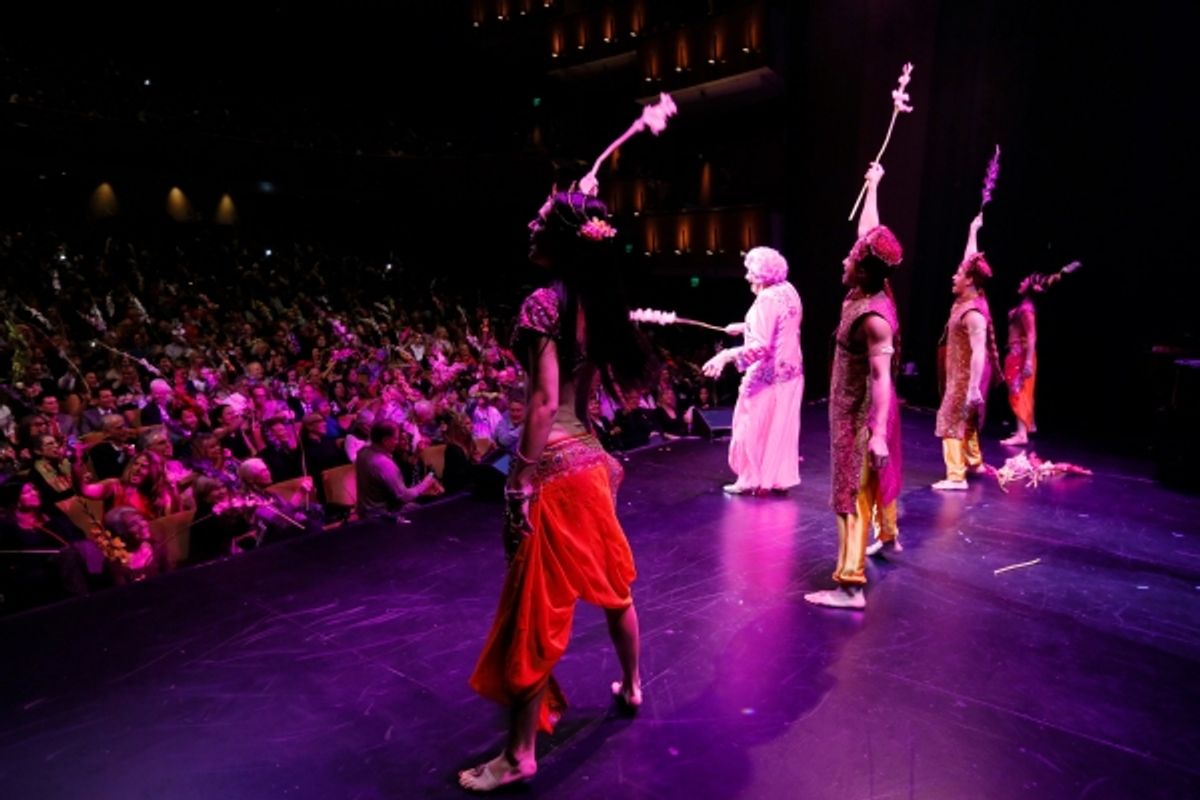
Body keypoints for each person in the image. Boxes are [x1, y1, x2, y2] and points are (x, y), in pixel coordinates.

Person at [459, 188, 654, 791]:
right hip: (592, 461)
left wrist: (519, 478)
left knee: (532, 610)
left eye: (541, 218)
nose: (530, 222)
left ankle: (519, 754)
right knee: (614, 586)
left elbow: (543, 403)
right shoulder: (596, 303)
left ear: (563, 238)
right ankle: (633, 684)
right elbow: (580, 399)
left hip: (556, 469)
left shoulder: (543, 305)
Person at [804, 163, 904, 610]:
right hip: (846, 413)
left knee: (848, 495)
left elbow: (882, 379)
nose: (844, 260)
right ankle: (851, 575)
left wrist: (878, 432)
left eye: (851, 259)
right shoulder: (863, 290)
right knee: (848, 493)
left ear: (863, 271)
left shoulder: (874, 318)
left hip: (858, 418)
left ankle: (849, 585)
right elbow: (868, 231)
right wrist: (874, 186)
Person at [702, 246, 803, 494]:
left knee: (749, 423)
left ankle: (748, 478)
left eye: (751, 273)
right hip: (791, 373)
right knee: (777, 427)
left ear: (763, 276)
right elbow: (779, 327)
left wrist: (725, 355)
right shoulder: (789, 290)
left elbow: (760, 347)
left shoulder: (766, 299)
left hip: (770, 376)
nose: (747, 277)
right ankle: (776, 478)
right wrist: (745, 325)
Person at [932, 213, 1002, 490]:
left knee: (950, 418)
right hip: (961, 374)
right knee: (968, 418)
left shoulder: (974, 312)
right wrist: (973, 230)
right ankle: (974, 461)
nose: (954, 275)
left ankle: (955, 475)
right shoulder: (967, 297)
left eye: (959, 274)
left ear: (970, 280)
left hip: (967, 376)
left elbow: (978, 352)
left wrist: (973, 387)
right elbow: (969, 259)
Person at [1000, 265, 1075, 446]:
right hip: (1018, 353)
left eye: (1024, 280)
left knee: (1018, 392)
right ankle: (1027, 426)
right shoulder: (1025, 305)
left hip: (1021, 354)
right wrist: (1060, 273)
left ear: (1031, 287)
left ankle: (1021, 434)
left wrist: (1027, 362)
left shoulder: (1026, 309)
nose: (1021, 282)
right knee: (1022, 391)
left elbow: (1032, 336)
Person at [354, 420, 442, 521]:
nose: (397, 442)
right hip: (382, 517)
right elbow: (404, 496)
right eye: (396, 438)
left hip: (365, 513)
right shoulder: (384, 464)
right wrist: (426, 483)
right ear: (385, 440)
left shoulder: (362, 453)